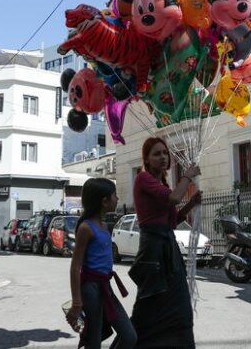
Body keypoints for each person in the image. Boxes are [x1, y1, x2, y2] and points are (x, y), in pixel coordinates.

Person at [129, 137, 202, 348]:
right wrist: (188, 175)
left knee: (180, 307)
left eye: (164, 153)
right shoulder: (143, 179)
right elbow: (173, 199)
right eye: (156, 154)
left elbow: (173, 220)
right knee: (149, 305)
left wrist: (191, 204)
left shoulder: (162, 184)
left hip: (168, 250)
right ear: (147, 159)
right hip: (153, 252)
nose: (162, 157)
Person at [66, 178, 137, 349]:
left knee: (129, 336)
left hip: (106, 286)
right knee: (94, 340)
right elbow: (75, 267)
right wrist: (77, 302)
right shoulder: (86, 228)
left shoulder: (105, 226)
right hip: (91, 289)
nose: (118, 199)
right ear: (104, 201)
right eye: (114, 195)